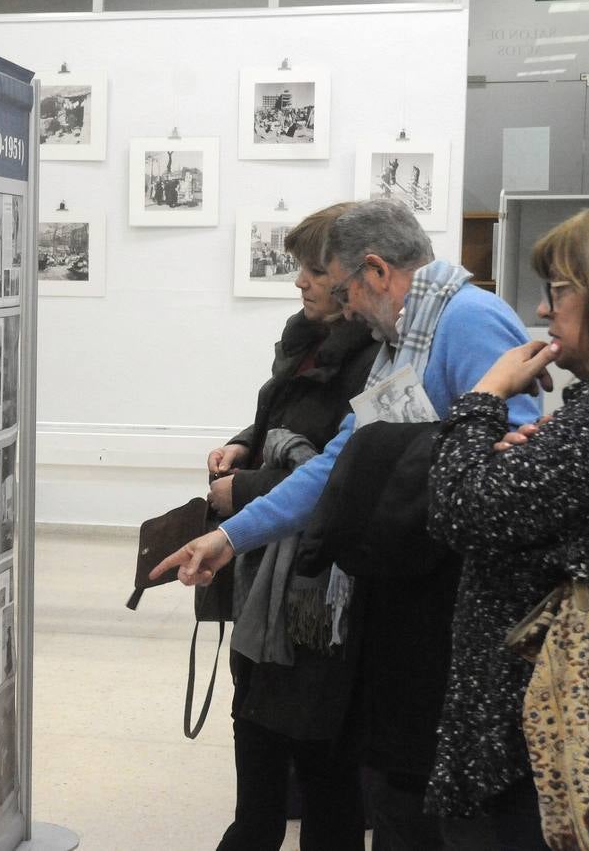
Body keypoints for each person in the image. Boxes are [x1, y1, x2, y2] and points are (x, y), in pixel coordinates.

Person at [155, 199, 541, 848]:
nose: (346, 310)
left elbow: (514, 461)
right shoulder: (404, 340)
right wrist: (229, 537)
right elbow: (340, 462)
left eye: (343, 291)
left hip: (455, 612)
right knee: (395, 794)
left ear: (376, 272)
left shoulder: (467, 321)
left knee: (430, 807)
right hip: (409, 599)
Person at [428, 198, 589, 847]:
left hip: (552, 727)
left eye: (558, 290)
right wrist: (531, 462)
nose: (544, 310)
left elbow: (460, 510)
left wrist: (484, 397)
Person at [203, 202, 380, 851]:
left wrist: (244, 491)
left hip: (316, 589)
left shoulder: (375, 358)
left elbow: (347, 470)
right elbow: (285, 421)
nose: (300, 282)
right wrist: (243, 443)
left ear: (357, 273)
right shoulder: (305, 340)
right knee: (256, 730)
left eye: (315, 270)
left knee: (319, 762)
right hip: (267, 576)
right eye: (299, 268)